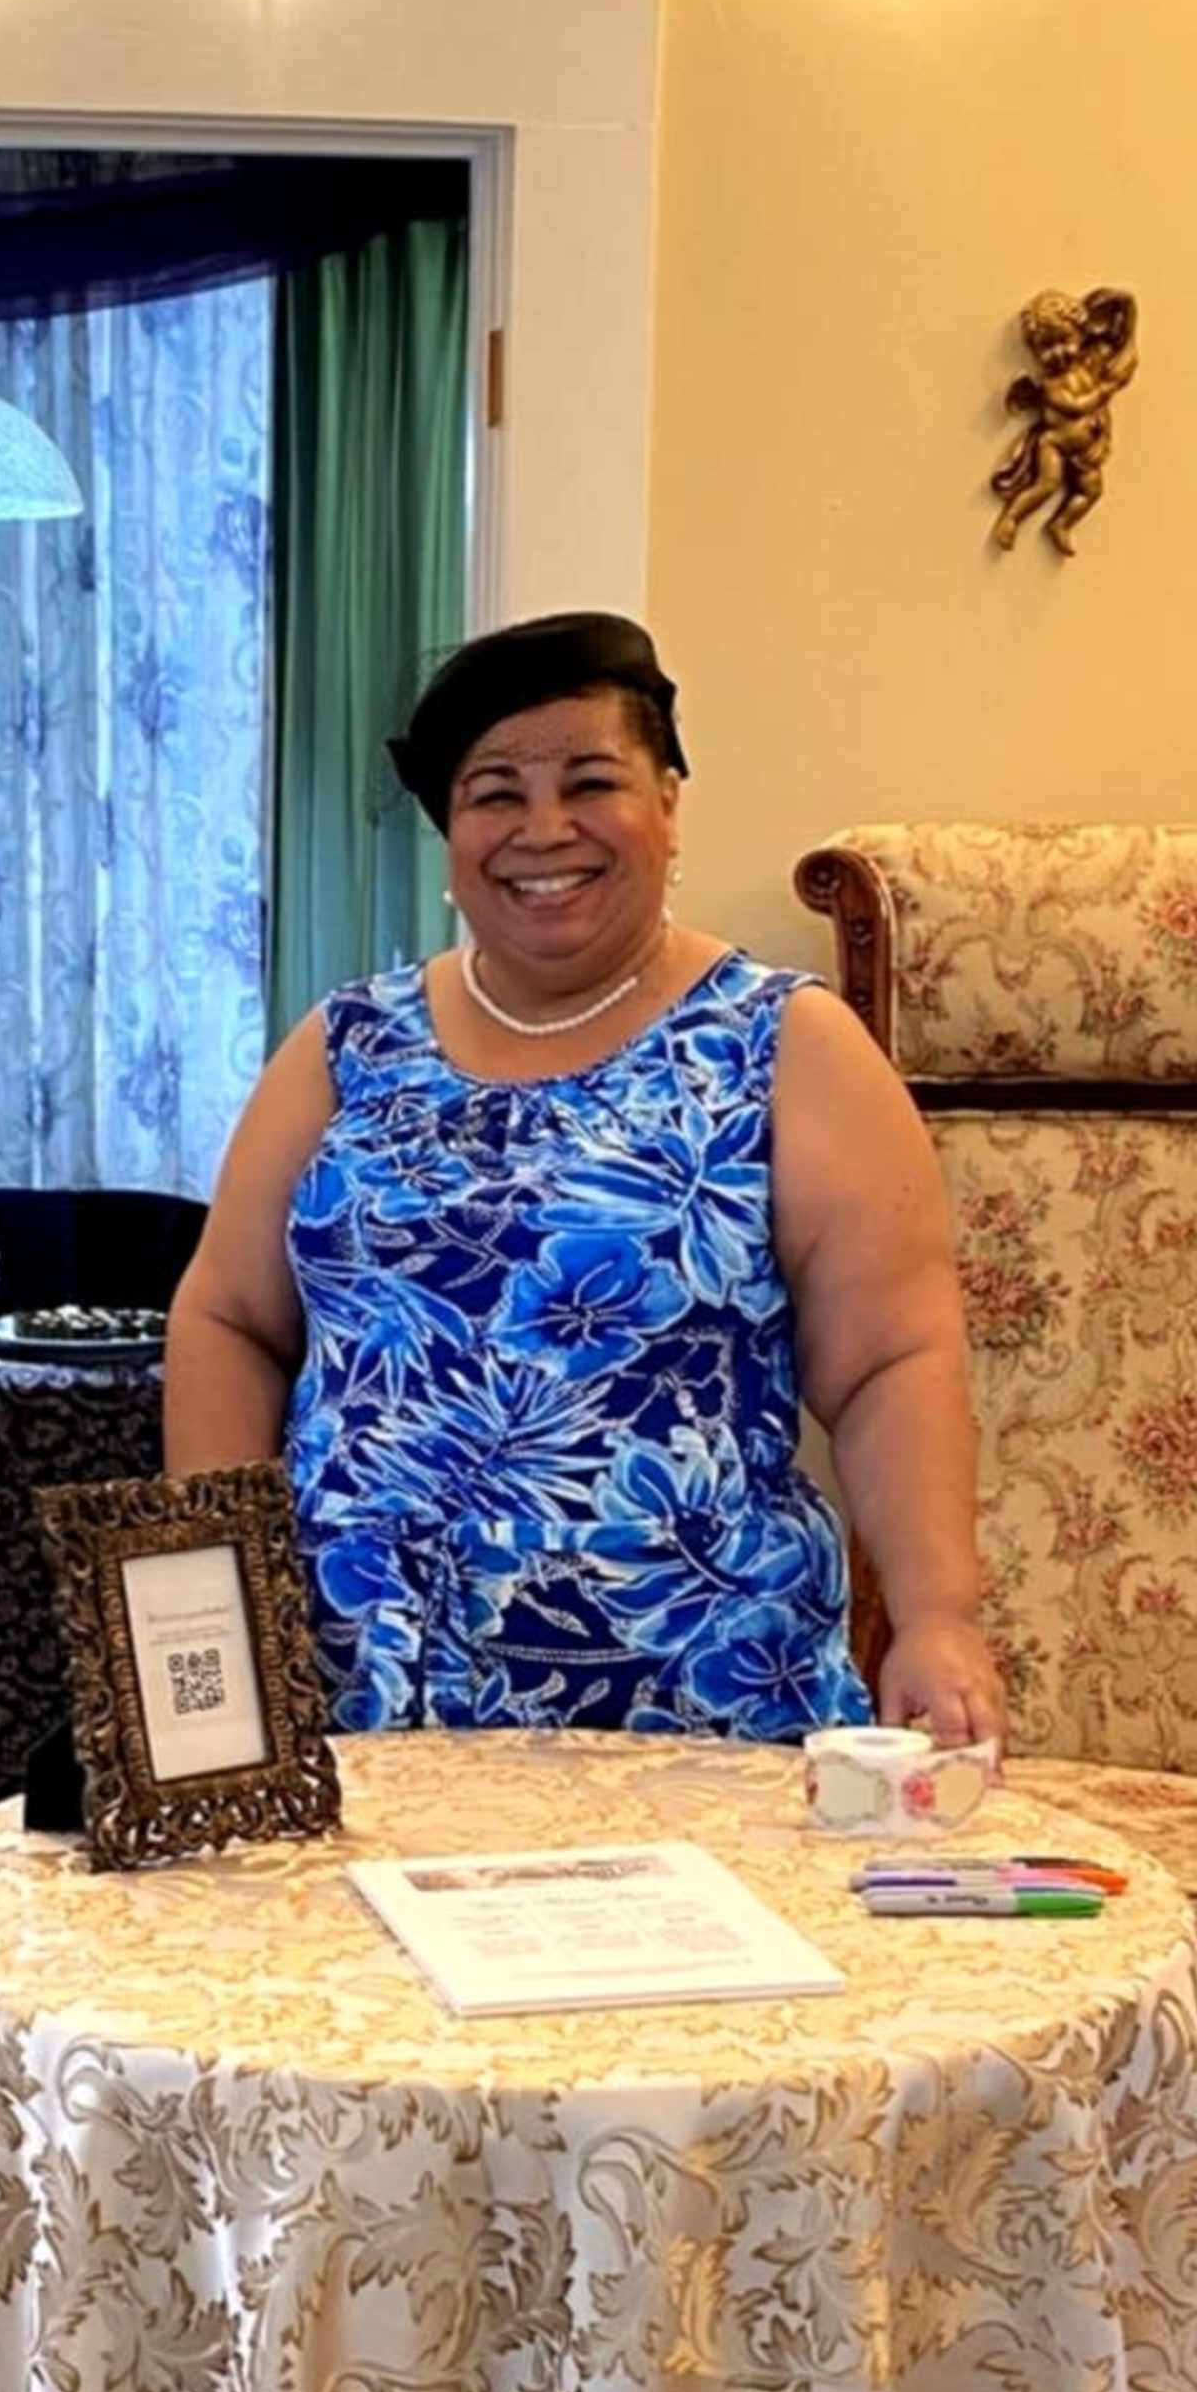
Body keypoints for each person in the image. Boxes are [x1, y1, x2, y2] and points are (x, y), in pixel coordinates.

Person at [166, 607, 1002, 1744]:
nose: (543, 828)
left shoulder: (786, 1043)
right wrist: (212, 1604)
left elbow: (893, 1360)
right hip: (355, 1692)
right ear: (451, 838)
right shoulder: (346, 1044)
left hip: (696, 1705)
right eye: (495, 792)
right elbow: (228, 1318)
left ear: (668, 802)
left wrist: (937, 1618)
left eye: (591, 781)